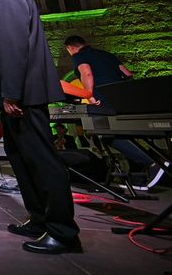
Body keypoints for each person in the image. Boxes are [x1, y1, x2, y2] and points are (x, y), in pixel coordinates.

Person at [0, 0, 81, 254]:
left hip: (23, 98)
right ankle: (40, 218)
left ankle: (63, 232)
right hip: (13, 98)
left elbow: (14, 50)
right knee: (21, 160)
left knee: (43, 162)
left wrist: (11, 95)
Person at [64, 35, 164, 189]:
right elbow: (128, 74)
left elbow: (87, 73)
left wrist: (89, 95)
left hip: (104, 99)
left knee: (104, 132)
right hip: (122, 98)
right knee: (124, 133)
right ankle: (139, 177)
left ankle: (151, 162)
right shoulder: (106, 54)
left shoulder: (79, 56)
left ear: (70, 48)